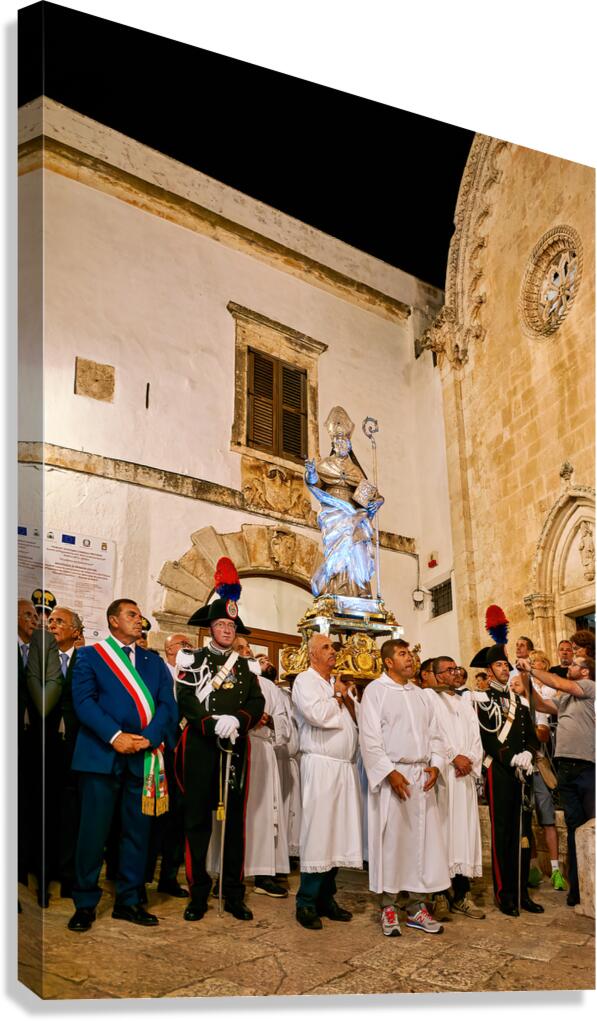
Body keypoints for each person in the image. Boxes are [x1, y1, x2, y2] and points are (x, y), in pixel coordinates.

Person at [67, 598, 178, 933]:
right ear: (113, 620)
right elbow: (83, 702)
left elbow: (166, 705)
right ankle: (85, 904)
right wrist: (115, 735)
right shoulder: (90, 656)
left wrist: (148, 737)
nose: (139, 619)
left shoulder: (153, 661)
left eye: (140, 615)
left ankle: (128, 901)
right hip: (101, 756)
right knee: (92, 834)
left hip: (143, 757)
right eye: (131, 614)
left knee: (137, 834)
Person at [174, 566, 265, 922]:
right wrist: (212, 723)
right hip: (200, 748)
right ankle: (197, 893)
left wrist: (239, 720)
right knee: (197, 821)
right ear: (210, 629)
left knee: (234, 825)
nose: (227, 631)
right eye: (222, 626)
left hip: (236, 750)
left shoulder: (245, 667)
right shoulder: (192, 661)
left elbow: (257, 704)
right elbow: (185, 699)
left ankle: (232, 893)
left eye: (231, 627)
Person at [359, 639, 448, 937]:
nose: (410, 659)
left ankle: (416, 907)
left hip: (421, 777)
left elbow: (436, 736)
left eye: (410, 654)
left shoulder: (422, 696)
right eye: (402, 654)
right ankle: (387, 906)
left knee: (421, 843)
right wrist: (389, 773)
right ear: (387, 661)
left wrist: (436, 764)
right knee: (392, 842)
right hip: (394, 777)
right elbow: (369, 739)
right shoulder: (376, 692)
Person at [292, 633, 362, 930]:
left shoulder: (338, 684)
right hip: (320, 766)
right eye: (326, 647)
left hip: (344, 768)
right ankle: (306, 902)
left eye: (333, 647)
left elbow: (357, 720)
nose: (333, 651)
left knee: (337, 834)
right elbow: (318, 715)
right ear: (312, 655)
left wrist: (345, 696)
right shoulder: (304, 681)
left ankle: (326, 898)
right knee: (319, 832)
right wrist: (337, 695)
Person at [516, 652, 595, 908]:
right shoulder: (567, 700)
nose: (570, 666)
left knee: (592, 828)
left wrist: (533, 669)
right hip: (566, 768)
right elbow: (539, 704)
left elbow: (559, 683)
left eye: (575, 664)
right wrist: (525, 677)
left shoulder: (589, 687)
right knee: (573, 828)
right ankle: (578, 889)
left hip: (587, 768)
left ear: (585, 672)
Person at [473, 644, 542, 917]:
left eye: (505, 665)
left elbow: (531, 736)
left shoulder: (520, 701)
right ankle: (505, 894)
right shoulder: (481, 700)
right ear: (489, 671)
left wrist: (528, 753)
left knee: (524, 834)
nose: (504, 669)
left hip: (522, 772)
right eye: (499, 665)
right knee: (503, 833)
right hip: (500, 771)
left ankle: (522, 891)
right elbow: (487, 738)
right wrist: (512, 757)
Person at [425, 656, 485, 919]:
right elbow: (431, 734)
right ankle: (439, 894)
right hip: (444, 776)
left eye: (456, 669)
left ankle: (462, 894)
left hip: (464, 776)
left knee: (464, 834)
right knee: (442, 833)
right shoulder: (427, 698)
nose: (455, 673)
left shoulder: (463, 700)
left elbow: (476, 736)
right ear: (437, 675)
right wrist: (452, 757)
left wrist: (470, 759)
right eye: (449, 670)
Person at [304, 406, 384, 598]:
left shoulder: (356, 471)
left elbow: (372, 495)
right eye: (337, 440)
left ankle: (359, 590)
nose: (341, 443)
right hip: (334, 515)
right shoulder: (325, 465)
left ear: (349, 444)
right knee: (338, 552)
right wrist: (312, 473)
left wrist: (379, 502)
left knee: (357, 548)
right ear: (333, 443)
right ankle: (338, 588)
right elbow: (315, 482)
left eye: (344, 440)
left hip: (354, 515)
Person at [232, 636, 290, 897]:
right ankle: (228, 873)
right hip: (235, 750)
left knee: (265, 814)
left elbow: (284, 723)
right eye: (239, 648)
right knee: (234, 813)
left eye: (248, 648)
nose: (247, 651)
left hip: (262, 752)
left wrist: (268, 722)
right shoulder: (224, 680)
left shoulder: (268, 686)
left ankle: (264, 873)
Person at [522, 650, 566, 893]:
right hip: (520, 768)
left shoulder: (538, 704)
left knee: (547, 819)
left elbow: (543, 733)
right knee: (525, 820)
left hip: (539, 763)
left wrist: (530, 727)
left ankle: (556, 869)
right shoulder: (512, 703)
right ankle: (531, 868)